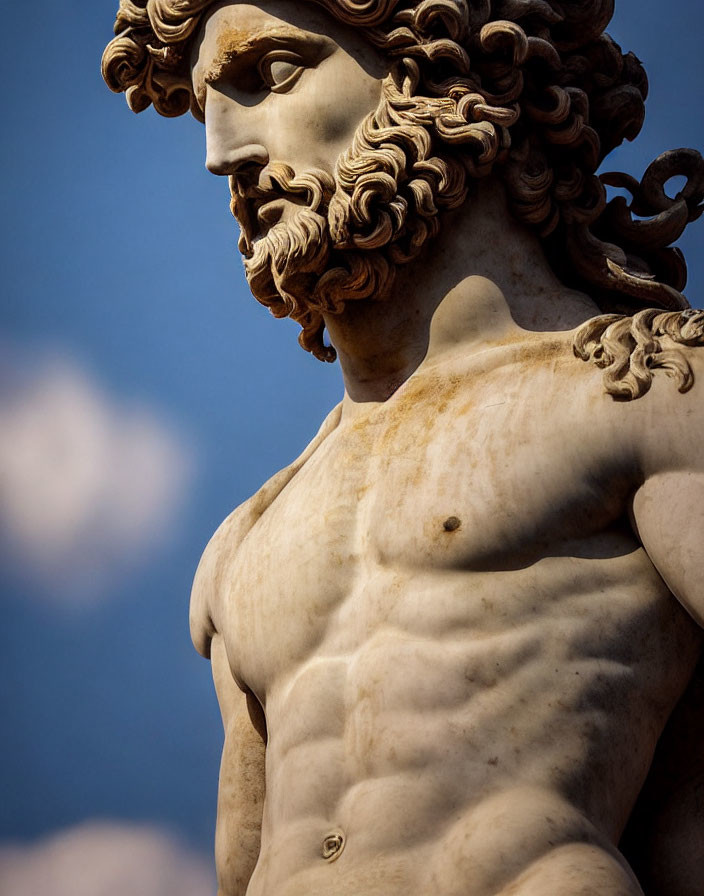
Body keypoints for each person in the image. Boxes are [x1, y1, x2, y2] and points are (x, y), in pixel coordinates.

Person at [103, 1, 704, 893]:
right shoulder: (250, 538)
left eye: (267, 77)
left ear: (438, 72)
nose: (222, 153)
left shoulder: (644, 391)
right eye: (205, 109)